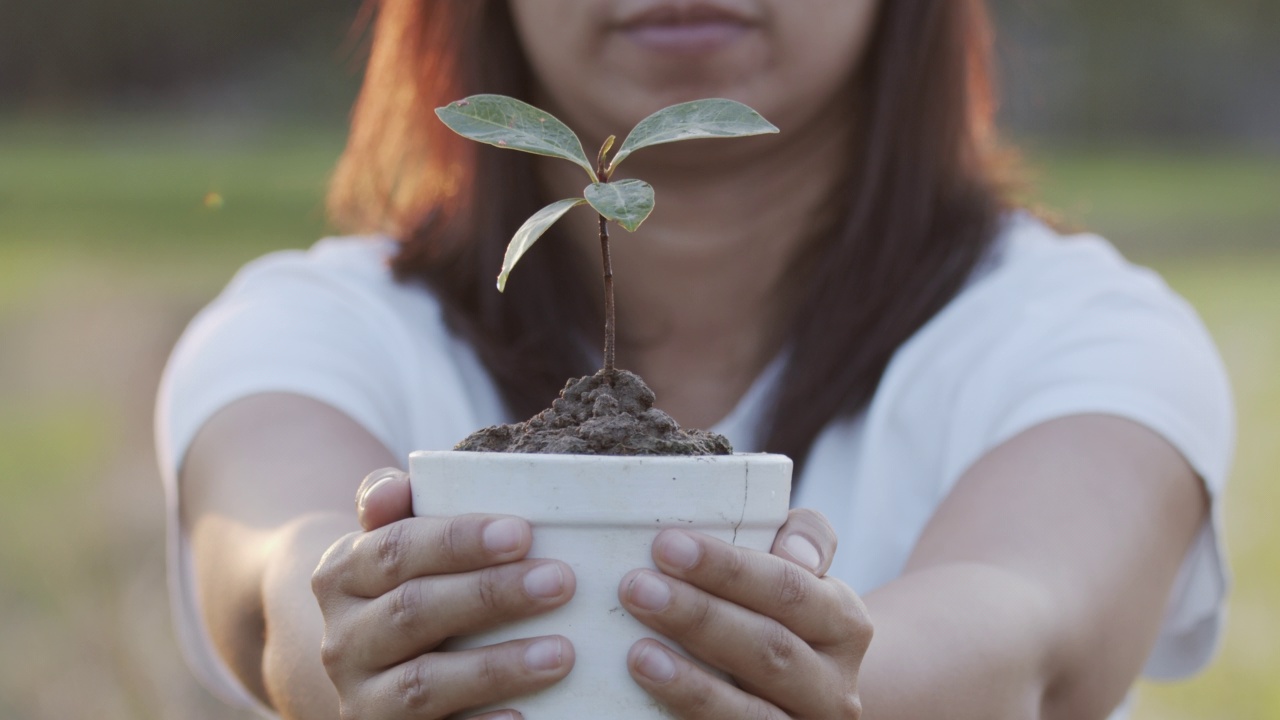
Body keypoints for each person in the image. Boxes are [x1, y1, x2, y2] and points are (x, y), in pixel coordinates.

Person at [156, 1, 1234, 718]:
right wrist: (355, 623)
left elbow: (1025, 632)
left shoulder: (1079, 335)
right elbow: (272, 570)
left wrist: (810, 678)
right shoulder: (316, 324)